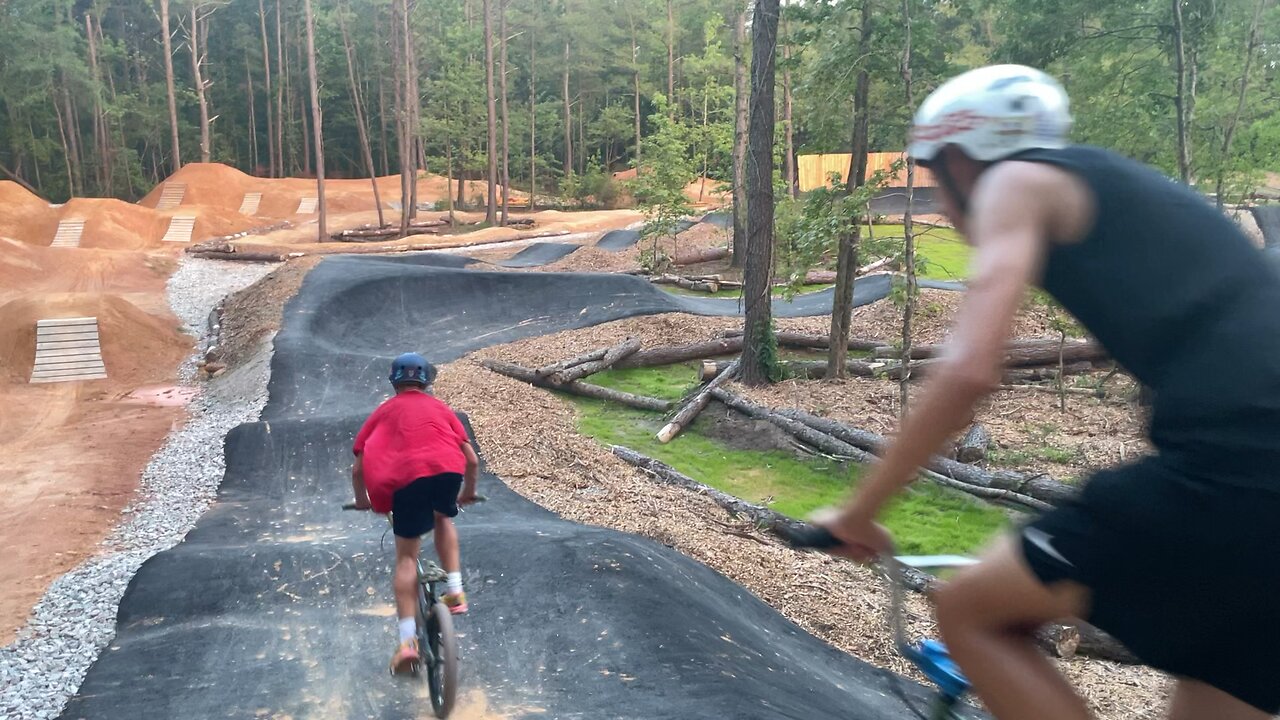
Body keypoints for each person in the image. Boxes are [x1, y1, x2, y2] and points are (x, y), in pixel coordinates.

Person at [812, 64, 1280, 719]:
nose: (942, 207)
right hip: (1258, 495)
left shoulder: (1016, 178)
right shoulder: (1113, 187)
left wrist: (861, 510)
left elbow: (971, 368)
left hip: (1230, 470)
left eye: (934, 177)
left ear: (964, 159)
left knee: (971, 611)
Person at [350, 352, 480, 674]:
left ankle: (408, 644)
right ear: (427, 382)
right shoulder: (441, 409)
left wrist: (363, 500)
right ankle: (455, 590)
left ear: (394, 381)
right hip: (447, 472)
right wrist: (468, 492)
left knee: (407, 557)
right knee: (443, 517)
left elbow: (359, 467)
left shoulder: (384, 411)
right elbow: (472, 460)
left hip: (404, 483)